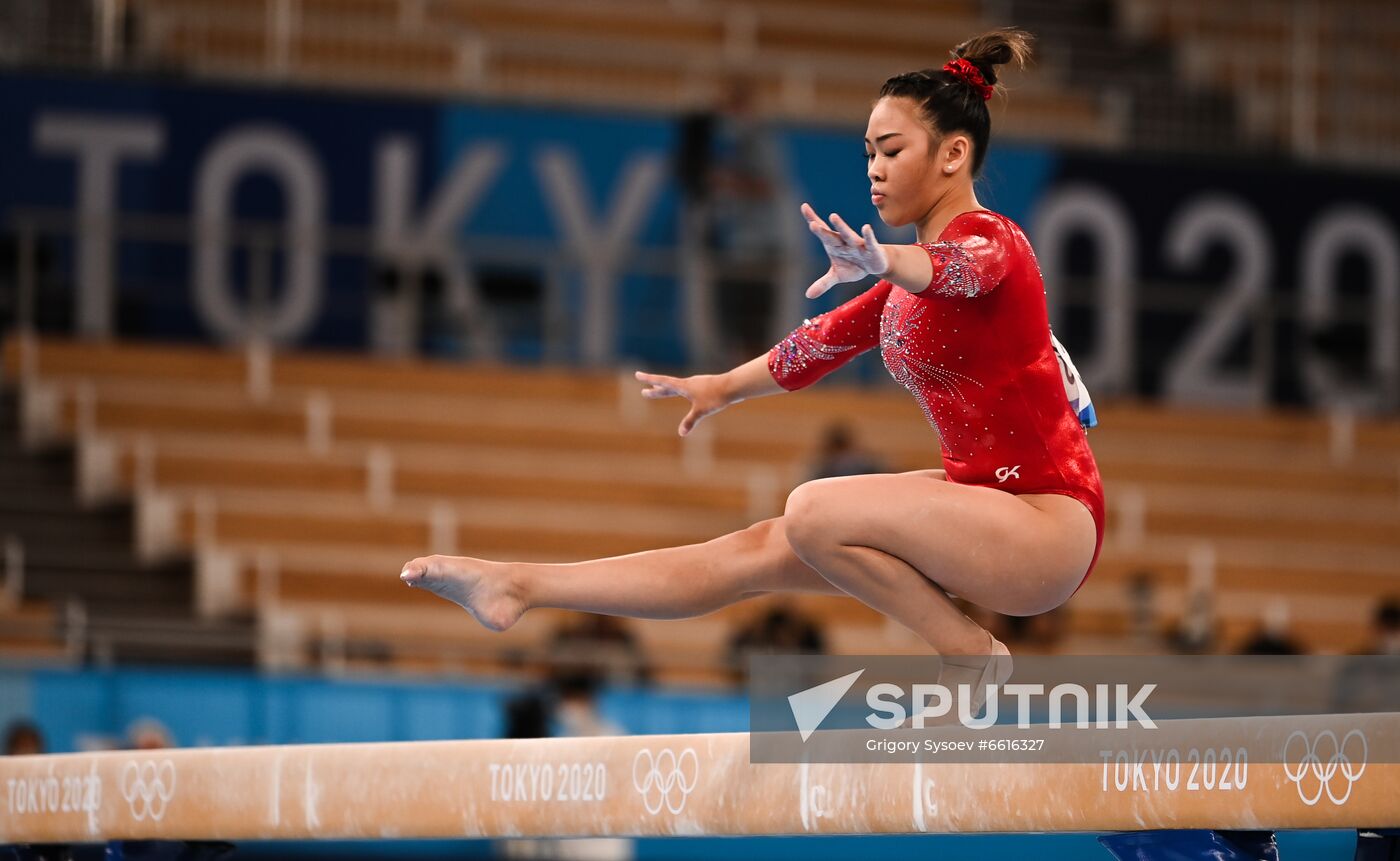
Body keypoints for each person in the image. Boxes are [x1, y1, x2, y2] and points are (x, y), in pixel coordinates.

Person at [399, 29, 1103, 693]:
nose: (874, 171)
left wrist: (883, 259)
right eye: (867, 153)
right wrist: (721, 386)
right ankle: (521, 585)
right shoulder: (900, 289)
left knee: (813, 510)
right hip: (983, 512)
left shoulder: (994, 243)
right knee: (753, 552)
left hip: (1045, 528)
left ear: (952, 155)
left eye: (891, 150)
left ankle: (971, 652)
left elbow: (955, 269)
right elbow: (816, 343)